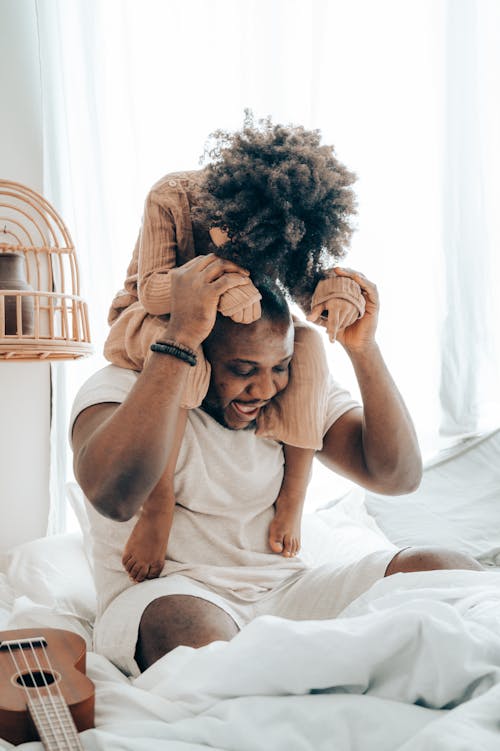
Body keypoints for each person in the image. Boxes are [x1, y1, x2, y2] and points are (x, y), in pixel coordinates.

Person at [71, 254, 482, 677]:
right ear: (202, 352)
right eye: (243, 370)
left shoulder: (293, 392)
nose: (265, 388)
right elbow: (113, 497)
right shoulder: (119, 389)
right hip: (172, 596)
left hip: (288, 589)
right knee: (205, 645)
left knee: (444, 568)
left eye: (280, 368)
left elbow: (397, 476)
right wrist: (179, 338)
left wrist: (363, 349)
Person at [103, 114, 366, 583]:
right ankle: (158, 507)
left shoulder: (286, 223)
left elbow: (305, 292)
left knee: (307, 347)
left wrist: (337, 292)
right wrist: (218, 286)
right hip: (156, 316)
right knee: (190, 359)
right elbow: (153, 290)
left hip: (234, 321)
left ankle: (293, 498)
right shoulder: (172, 197)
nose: (252, 251)